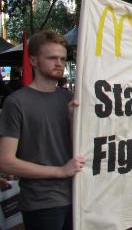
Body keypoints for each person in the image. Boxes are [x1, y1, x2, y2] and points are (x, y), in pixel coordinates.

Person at [0, 30, 85, 230]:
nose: (59, 63)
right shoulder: (17, 102)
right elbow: (6, 161)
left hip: (79, 196)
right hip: (42, 203)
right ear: (34, 61)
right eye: (52, 58)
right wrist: (60, 171)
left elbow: (77, 147)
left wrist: (74, 120)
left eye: (63, 59)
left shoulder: (70, 98)